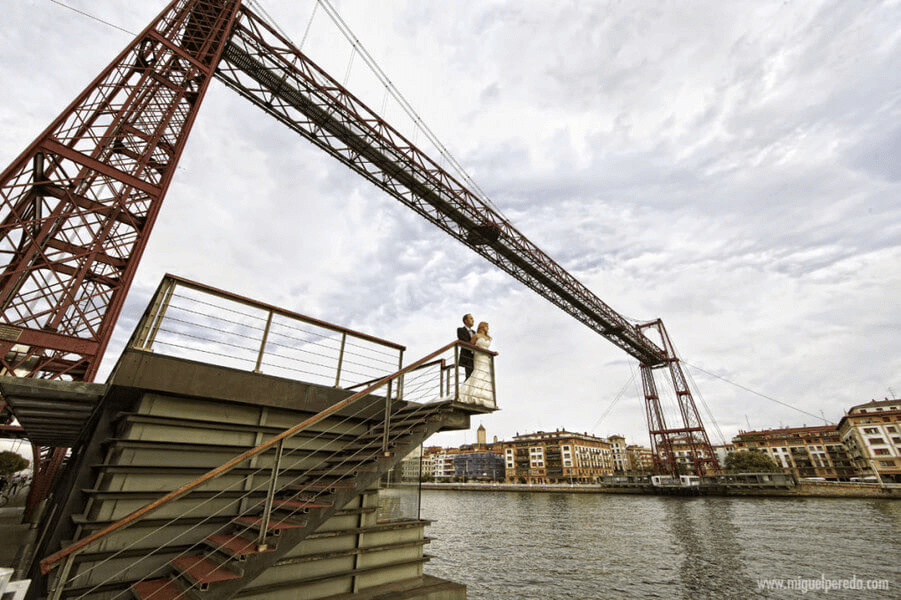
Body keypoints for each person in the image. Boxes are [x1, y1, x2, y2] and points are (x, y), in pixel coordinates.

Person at [458, 321, 495, 408]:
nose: (488, 329)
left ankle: (484, 397)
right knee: (478, 373)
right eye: (486, 326)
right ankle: (473, 395)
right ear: (482, 327)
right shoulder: (476, 336)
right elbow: (470, 346)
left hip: (486, 359)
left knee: (485, 376)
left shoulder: (488, 338)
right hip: (478, 357)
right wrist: (475, 348)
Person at [457, 313, 475, 379]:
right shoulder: (460, 330)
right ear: (466, 321)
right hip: (467, 357)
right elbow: (464, 340)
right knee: (469, 377)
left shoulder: (475, 332)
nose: (473, 320)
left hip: (476, 357)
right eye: (471, 318)